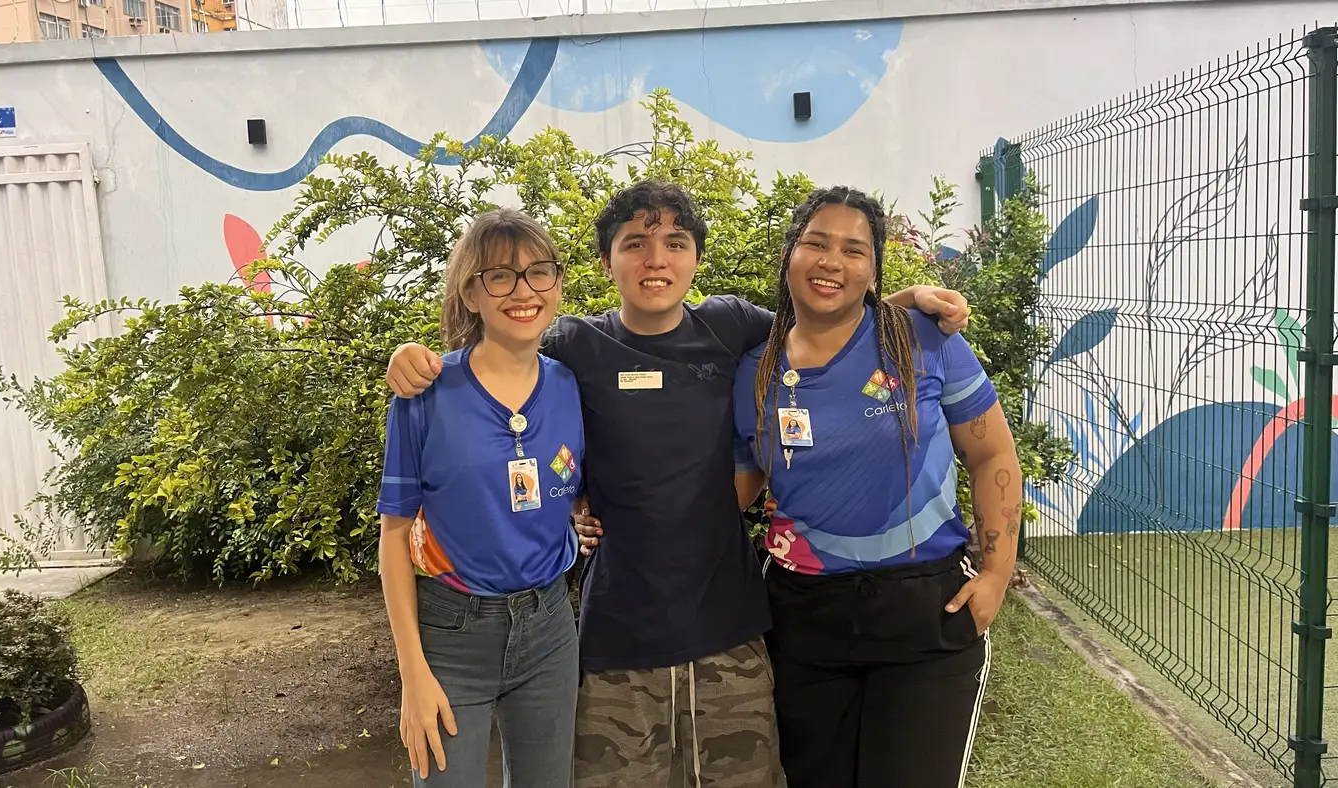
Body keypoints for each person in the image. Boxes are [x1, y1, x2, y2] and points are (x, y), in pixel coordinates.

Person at [385, 180, 971, 787]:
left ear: (696, 256)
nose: (656, 259)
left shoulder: (730, 325)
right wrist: (414, 358)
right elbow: (499, 357)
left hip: (729, 627)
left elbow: (828, 329)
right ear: (606, 260)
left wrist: (903, 302)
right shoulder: (576, 347)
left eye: (675, 242)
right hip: (617, 635)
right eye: (635, 243)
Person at [731, 186, 1022, 788]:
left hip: (924, 610)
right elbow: (739, 488)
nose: (831, 262)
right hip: (803, 615)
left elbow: (991, 452)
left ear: (873, 268)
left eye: (853, 250)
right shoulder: (753, 373)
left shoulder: (923, 340)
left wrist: (996, 573)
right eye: (816, 243)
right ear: (788, 255)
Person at [376, 208, 584, 787]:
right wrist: (412, 674)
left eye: (539, 272)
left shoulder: (572, 385)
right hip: (450, 636)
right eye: (499, 276)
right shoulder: (425, 393)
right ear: (470, 294)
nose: (523, 291)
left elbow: (582, 488)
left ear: (557, 283)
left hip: (550, 629)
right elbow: (394, 537)